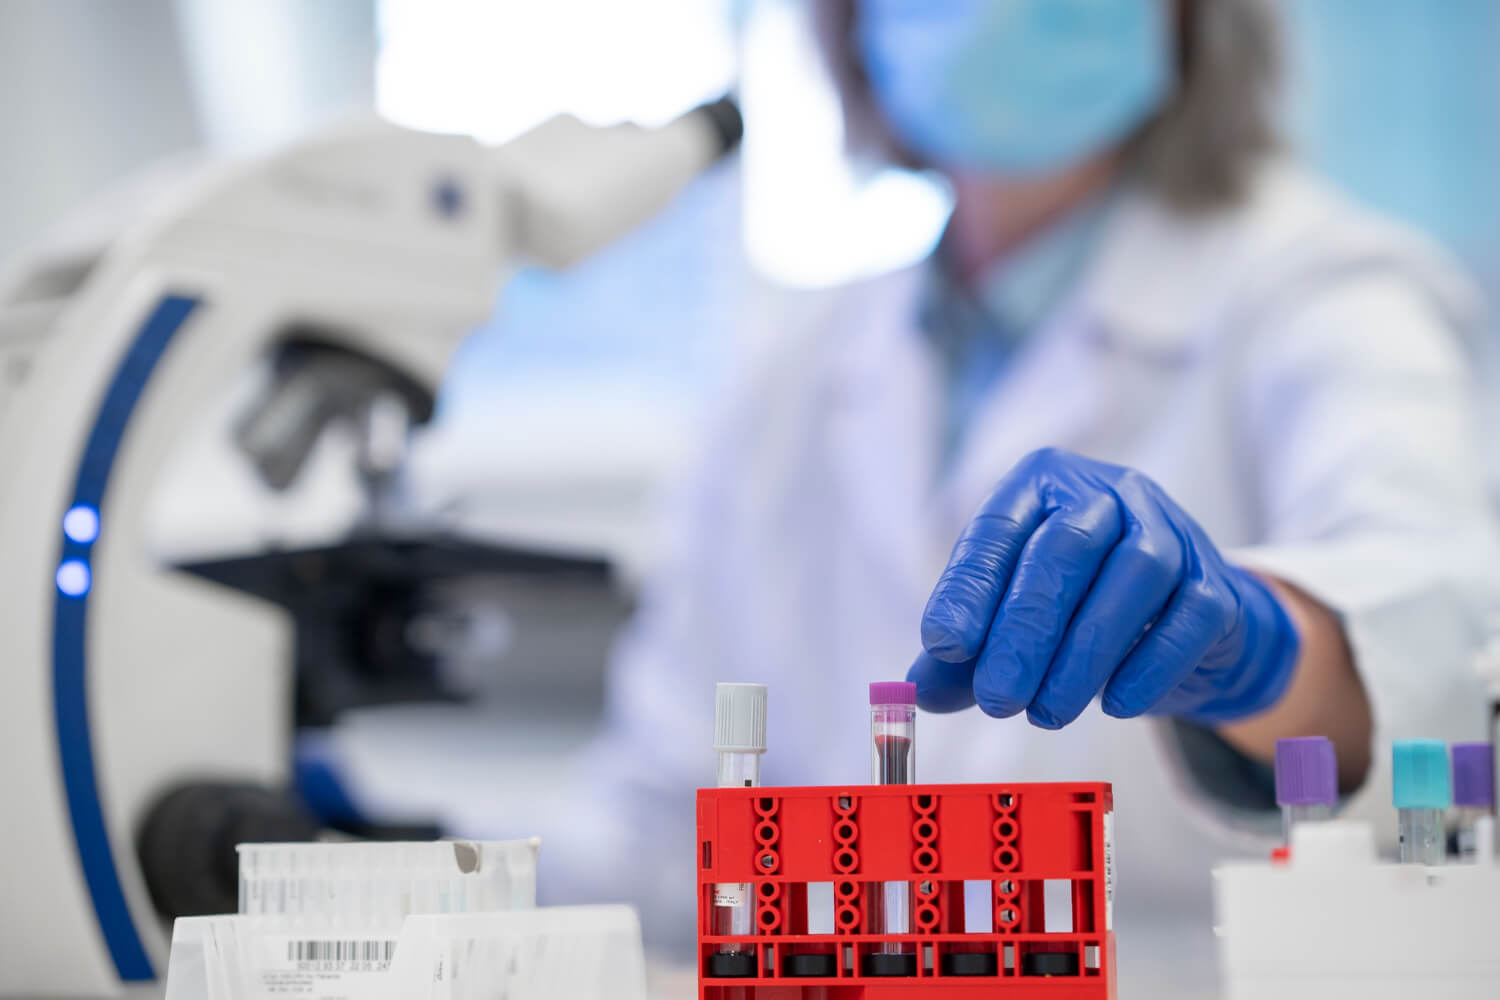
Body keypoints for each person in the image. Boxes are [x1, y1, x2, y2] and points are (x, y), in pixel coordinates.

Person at [533, 0, 1500, 979]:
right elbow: (653, 824)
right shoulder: (791, 371)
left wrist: (1262, 650)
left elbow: (1442, 630)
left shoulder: (1328, 293)